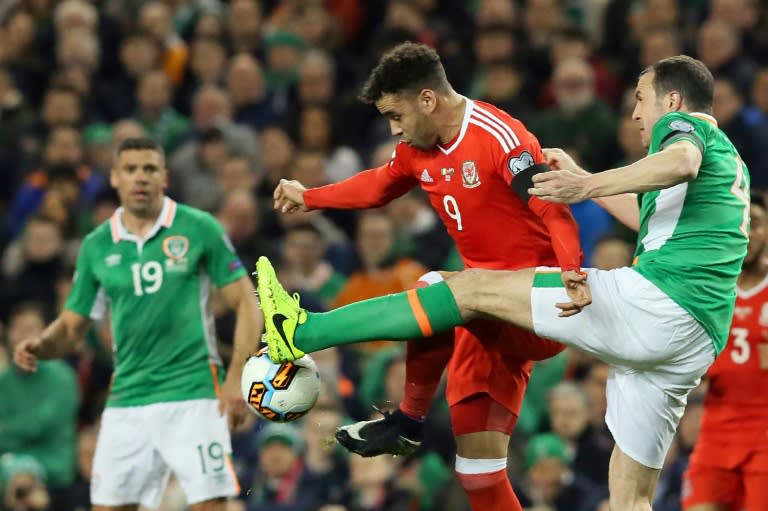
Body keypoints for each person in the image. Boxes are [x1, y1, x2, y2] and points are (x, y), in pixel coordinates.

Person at [257, 55, 749, 511]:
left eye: (641, 99)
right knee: (627, 491)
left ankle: (303, 332)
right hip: (692, 339)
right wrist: (585, 176)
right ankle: (405, 420)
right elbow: (648, 216)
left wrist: (585, 188)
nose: (636, 112)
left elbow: (681, 158)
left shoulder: (683, 130)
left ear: (673, 101)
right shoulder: (729, 169)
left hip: (657, 304)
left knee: (460, 288)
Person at [269, 42, 580, 511]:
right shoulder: (418, 149)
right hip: (483, 312)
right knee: (479, 473)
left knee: (435, 286)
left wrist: (572, 273)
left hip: (538, 302)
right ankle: (407, 427)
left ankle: (309, 333)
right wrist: (309, 196)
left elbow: (552, 210)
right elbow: (378, 185)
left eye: (397, 115)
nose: (395, 128)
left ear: (428, 100)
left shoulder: (498, 137)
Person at [14, 137, 262, 511]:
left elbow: (247, 303)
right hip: (128, 398)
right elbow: (71, 327)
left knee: (210, 505)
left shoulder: (198, 227)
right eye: (130, 169)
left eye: (149, 168)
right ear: (115, 178)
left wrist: (236, 378)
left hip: (193, 392)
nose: (140, 177)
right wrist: (41, 345)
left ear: (164, 176)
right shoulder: (97, 245)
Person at [682, 194, 768, 511]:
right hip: (716, 431)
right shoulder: (711, 288)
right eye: (740, 224)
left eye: (756, 224)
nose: (746, 232)